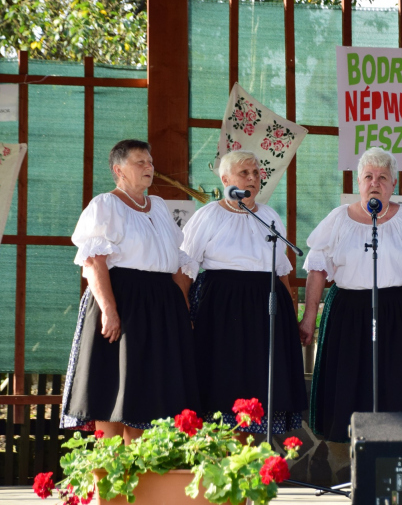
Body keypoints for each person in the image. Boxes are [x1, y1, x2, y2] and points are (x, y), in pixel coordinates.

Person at [299, 147, 402, 442]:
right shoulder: (338, 219)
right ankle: (360, 459)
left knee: (399, 385)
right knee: (353, 386)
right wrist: (308, 318)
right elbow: (317, 271)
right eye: (368, 176)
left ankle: (399, 455)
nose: (375, 182)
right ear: (358, 182)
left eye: (382, 177)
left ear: (394, 184)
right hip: (349, 313)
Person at [61, 139, 200, 444]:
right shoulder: (105, 205)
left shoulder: (160, 207)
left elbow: (178, 261)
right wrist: (110, 311)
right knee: (113, 386)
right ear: (118, 169)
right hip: (122, 298)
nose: (149, 168)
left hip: (161, 303)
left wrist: (183, 309)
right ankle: (110, 471)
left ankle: (140, 477)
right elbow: (95, 261)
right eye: (140, 162)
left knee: (148, 390)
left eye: (150, 162)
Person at [178, 151, 307, 435]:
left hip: (266, 308)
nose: (252, 178)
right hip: (222, 309)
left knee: (260, 384)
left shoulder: (270, 215)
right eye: (244, 173)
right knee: (225, 381)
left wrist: (290, 317)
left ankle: (250, 460)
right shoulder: (209, 215)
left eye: (256, 173)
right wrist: (183, 312)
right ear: (225, 179)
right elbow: (185, 268)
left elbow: (281, 270)